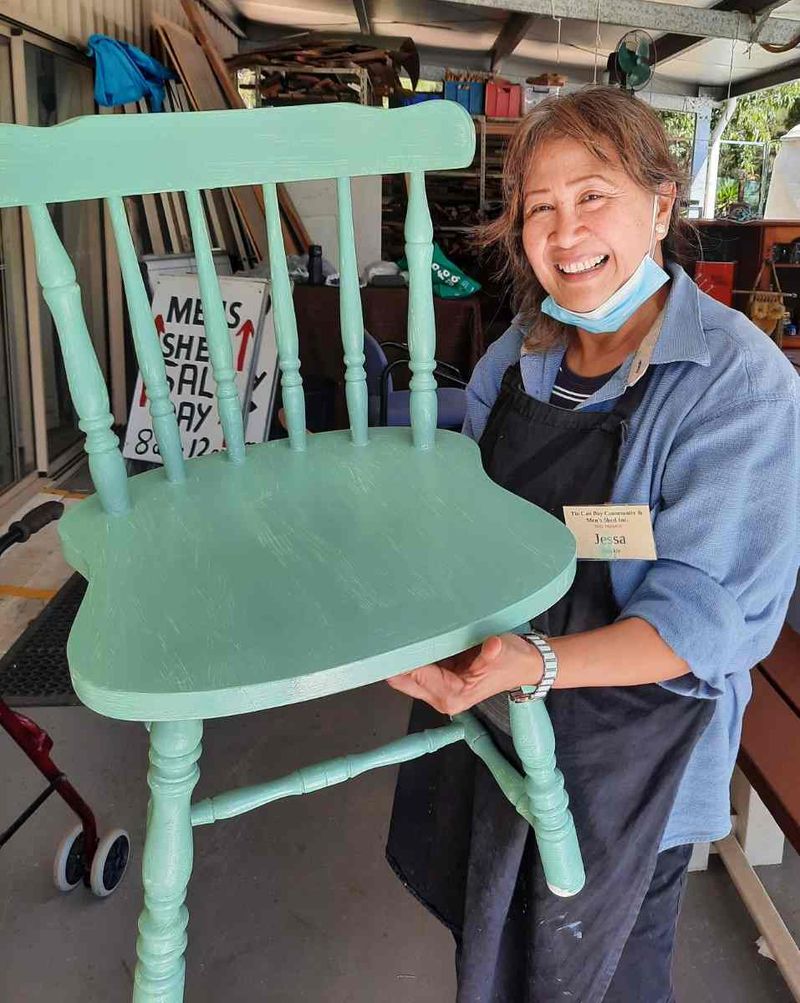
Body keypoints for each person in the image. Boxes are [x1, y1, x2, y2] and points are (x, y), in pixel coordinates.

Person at [385, 86, 800, 1003]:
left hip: (635, 759)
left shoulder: (737, 385)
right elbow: (467, 515)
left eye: (593, 195)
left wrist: (525, 661)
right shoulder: (522, 352)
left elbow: (710, 623)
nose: (564, 233)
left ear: (661, 202)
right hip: (509, 717)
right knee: (502, 942)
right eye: (540, 208)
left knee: (603, 971)